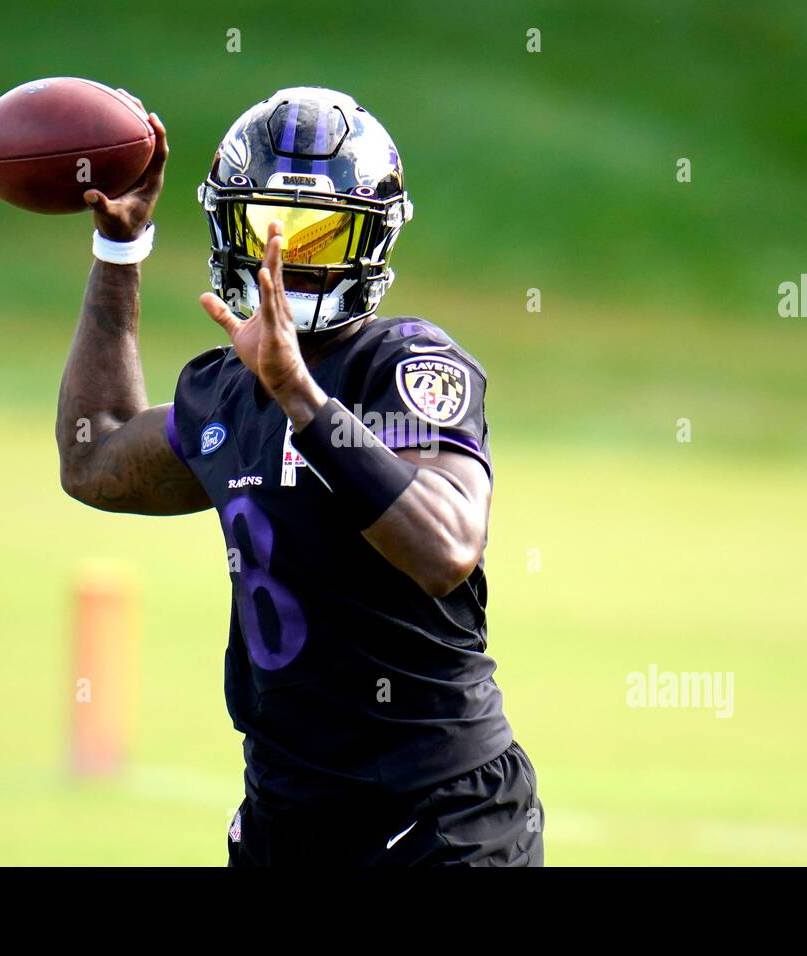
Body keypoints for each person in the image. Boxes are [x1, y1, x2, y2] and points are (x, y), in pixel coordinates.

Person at [56, 86, 543, 866]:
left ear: (371, 238)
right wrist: (119, 254)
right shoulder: (226, 388)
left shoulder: (406, 363)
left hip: (439, 811)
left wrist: (302, 398)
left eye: (322, 235)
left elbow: (448, 547)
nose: (290, 257)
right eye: (268, 228)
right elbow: (95, 457)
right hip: (288, 811)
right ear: (228, 226)